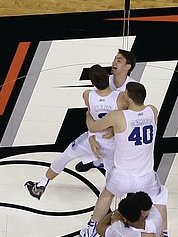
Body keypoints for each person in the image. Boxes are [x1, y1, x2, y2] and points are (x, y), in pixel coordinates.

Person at [79, 82, 178, 237]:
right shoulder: (152, 111)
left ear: (129, 97)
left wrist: (89, 114)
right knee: (160, 199)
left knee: (106, 195)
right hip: (146, 177)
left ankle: (91, 232)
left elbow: (93, 127)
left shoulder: (117, 117)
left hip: (122, 176)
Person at [24, 64, 122, 199]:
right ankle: (111, 210)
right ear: (108, 77)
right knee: (112, 180)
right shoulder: (120, 98)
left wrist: (92, 133)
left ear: (92, 82)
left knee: (65, 156)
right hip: (112, 143)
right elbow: (125, 118)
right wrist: (112, 129)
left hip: (93, 138)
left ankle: (41, 184)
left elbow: (91, 115)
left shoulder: (88, 95)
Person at [75, 49, 137, 173]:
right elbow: (92, 107)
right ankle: (96, 161)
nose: (114, 62)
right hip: (101, 123)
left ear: (128, 66)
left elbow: (134, 115)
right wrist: (92, 133)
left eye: (119, 60)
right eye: (114, 58)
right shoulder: (103, 80)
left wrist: (114, 129)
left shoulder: (133, 87)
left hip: (122, 127)